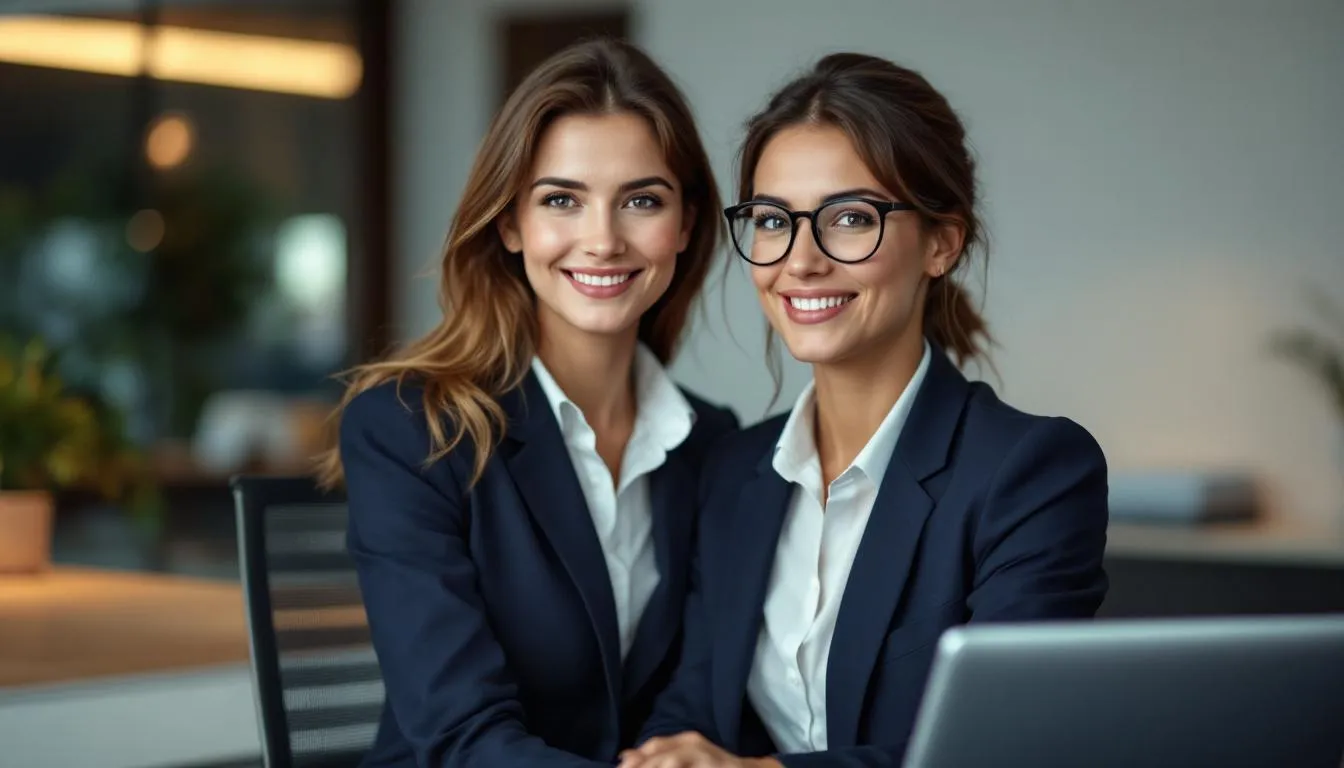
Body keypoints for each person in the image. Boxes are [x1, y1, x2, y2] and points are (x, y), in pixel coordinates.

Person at [619, 52, 1110, 768]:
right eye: (771, 220)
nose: (801, 260)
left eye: (849, 219)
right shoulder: (731, 471)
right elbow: (696, 702)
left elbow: (1001, 748)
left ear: (941, 242)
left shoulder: (1031, 473)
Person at [319, 38, 738, 768]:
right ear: (510, 223)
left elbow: (692, 697)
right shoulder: (411, 426)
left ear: (687, 225)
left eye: (641, 200)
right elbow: (458, 733)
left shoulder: (712, 444)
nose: (602, 240)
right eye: (561, 200)